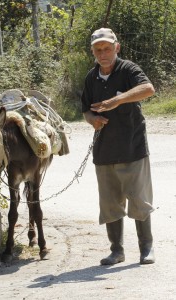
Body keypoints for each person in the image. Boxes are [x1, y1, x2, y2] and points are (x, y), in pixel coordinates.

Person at [81, 28, 156, 265]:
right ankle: (117, 251)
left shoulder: (129, 70)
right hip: (104, 151)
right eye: (98, 50)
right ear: (93, 52)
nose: (103, 54)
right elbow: (86, 109)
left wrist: (117, 99)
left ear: (117, 48)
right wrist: (93, 120)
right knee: (110, 203)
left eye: (107, 48)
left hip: (132, 147)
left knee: (139, 200)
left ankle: (146, 248)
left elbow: (148, 89)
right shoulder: (91, 77)